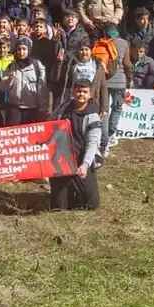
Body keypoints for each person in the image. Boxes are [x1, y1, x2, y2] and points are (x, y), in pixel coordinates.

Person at [49, 81, 102, 210]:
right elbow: (49, 126)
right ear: (73, 92)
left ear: (90, 95)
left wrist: (85, 165)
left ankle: (77, 185)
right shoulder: (62, 109)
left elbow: (92, 144)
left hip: (81, 158)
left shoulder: (93, 116)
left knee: (91, 204)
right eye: (78, 91)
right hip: (62, 156)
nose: (81, 94)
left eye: (85, 92)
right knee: (59, 206)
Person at [0, 36, 50, 126]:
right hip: (14, 108)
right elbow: (2, 88)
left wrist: (43, 109)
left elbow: (43, 89)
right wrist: (8, 80)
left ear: (29, 50)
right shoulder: (11, 66)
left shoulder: (37, 66)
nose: (21, 52)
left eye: (24, 49)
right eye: (19, 49)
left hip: (32, 108)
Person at [96, 26, 131, 156]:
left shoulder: (101, 43)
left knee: (104, 110)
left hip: (103, 80)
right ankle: (110, 134)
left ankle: (103, 137)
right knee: (117, 107)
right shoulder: (123, 43)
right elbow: (127, 64)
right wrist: (130, 77)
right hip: (119, 81)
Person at [59, 41, 109, 116]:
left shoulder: (97, 65)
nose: (84, 52)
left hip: (92, 102)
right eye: (81, 50)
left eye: (86, 49)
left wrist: (104, 108)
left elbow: (103, 86)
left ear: (91, 51)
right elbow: (65, 84)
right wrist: (59, 62)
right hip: (74, 101)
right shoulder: (71, 65)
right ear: (78, 51)